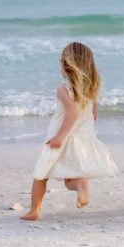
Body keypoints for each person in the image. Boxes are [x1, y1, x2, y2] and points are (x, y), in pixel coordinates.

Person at [20, 42, 117, 221]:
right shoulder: (90, 89)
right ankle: (80, 184)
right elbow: (93, 115)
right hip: (79, 139)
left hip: (60, 138)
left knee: (40, 175)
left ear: (66, 66)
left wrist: (59, 137)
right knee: (69, 179)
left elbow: (71, 114)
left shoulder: (63, 90)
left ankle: (34, 210)